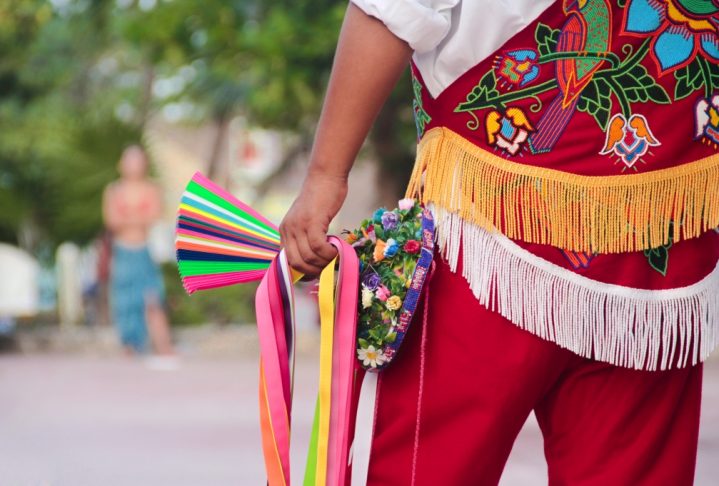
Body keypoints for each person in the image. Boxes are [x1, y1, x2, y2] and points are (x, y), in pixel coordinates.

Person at [280, 1, 719, 485]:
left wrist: (325, 175)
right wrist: (325, 176)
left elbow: (391, 8)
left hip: (623, 246)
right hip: (587, 237)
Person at [103, 145, 175, 360]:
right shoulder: (114, 190)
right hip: (123, 252)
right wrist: (137, 219)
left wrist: (129, 219)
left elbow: (154, 216)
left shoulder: (152, 188)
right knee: (124, 300)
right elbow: (112, 221)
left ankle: (163, 345)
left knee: (153, 297)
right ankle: (129, 347)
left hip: (144, 251)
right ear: (121, 164)